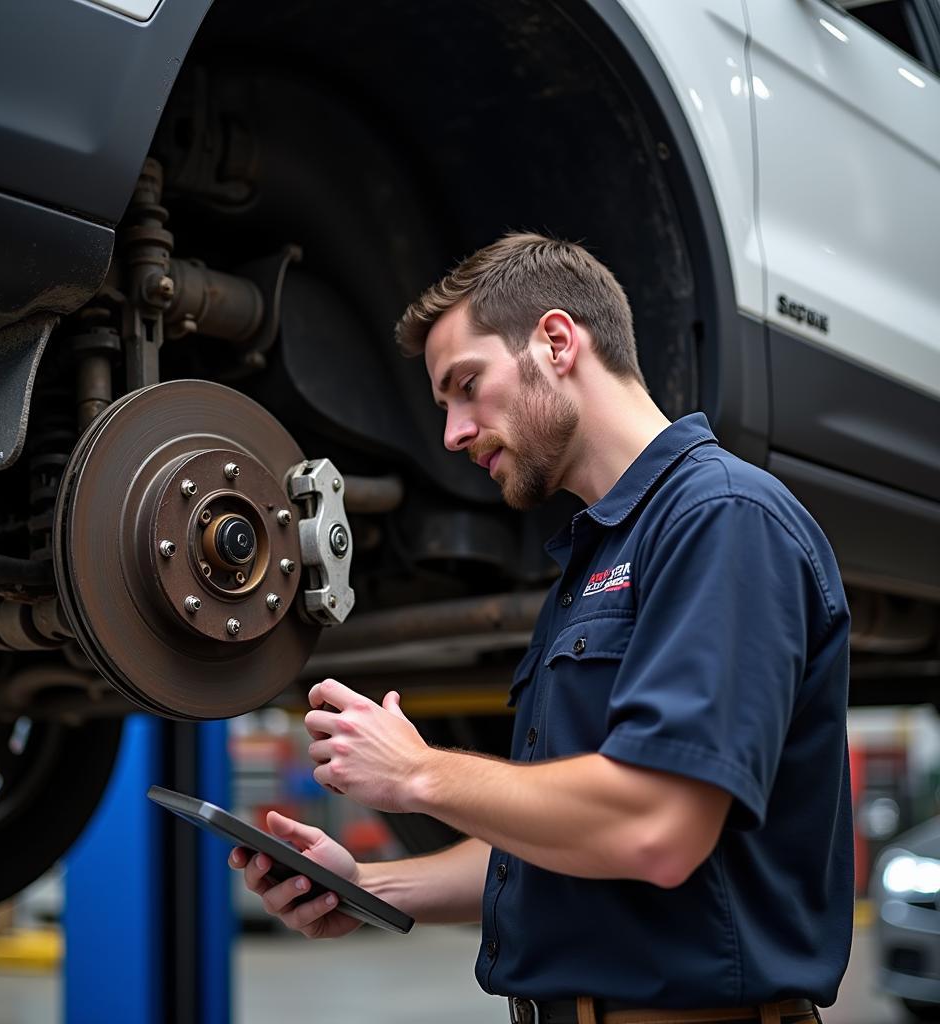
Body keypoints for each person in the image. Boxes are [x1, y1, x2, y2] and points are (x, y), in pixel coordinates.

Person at [229, 233, 853, 1024]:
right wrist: (369, 886)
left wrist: (418, 772)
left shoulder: (721, 519)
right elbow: (556, 835)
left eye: (466, 385)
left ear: (557, 342)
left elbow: (656, 825)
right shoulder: (595, 560)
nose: (453, 434)